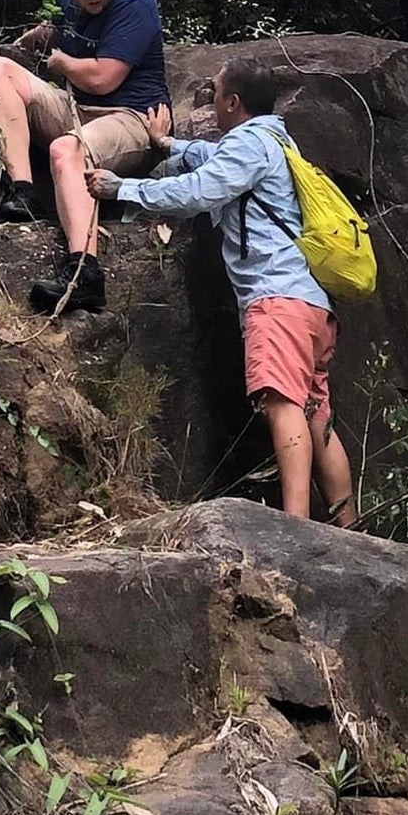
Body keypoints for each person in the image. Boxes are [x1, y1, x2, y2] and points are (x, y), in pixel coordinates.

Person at [87, 58, 357, 529]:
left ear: (232, 102)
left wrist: (121, 188)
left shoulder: (249, 143)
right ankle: (349, 525)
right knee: (318, 413)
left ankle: (298, 528)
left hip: (275, 299)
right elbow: (211, 159)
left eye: (215, 94)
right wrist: (168, 144)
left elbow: (197, 191)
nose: (211, 102)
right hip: (310, 301)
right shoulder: (275, 139)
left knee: (283, 403)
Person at [0, 0, 169, 313]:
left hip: (132, 118)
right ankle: (24, 192)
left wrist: (62, 62)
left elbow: (102, 78)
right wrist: (42, 38)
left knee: (66, 149)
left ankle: (85, 272)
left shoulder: (136, 2)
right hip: (76, 107)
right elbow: (68, 33)